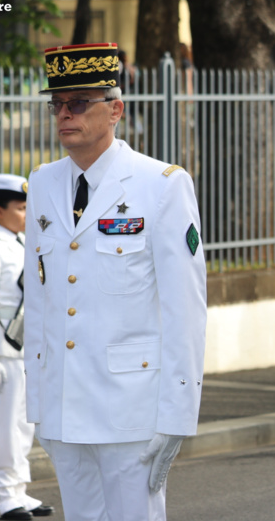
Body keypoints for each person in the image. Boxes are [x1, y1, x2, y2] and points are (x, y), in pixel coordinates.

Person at [24, 42, 207, 521]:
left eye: (79, 103)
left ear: (115, 109)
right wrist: (38, 404)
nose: (65, 114)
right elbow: (40, 300)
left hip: (132, 409)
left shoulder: (161, 184)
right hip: (65, 404)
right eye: (58, 105)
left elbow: (184, 307)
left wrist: (177, 413)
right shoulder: (43, 183)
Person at [0, 174, 54, 520]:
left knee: (23, 424)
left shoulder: (20, 244)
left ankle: (19, 489)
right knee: (2, 426)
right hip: (3, 352)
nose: (26, 213)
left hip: (26, 351)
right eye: (20, 208)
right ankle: (3, 495)